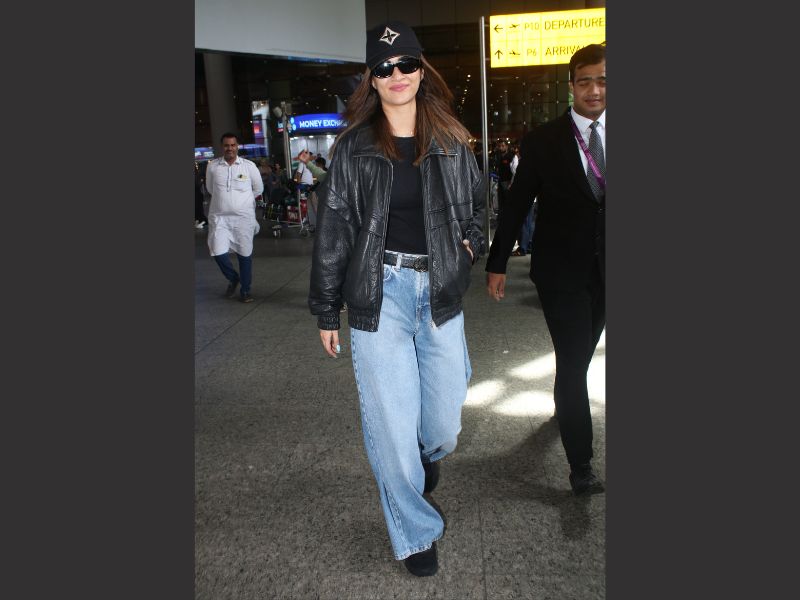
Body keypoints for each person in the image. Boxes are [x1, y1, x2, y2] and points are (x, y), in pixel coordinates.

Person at [308, 20, 485, 577]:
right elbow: (334, 229)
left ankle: (422, 458)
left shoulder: (452, 139)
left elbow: (482, 207)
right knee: (389, 422)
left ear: (421, 70)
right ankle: (414, 531)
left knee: (444, 424)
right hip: (378, 293)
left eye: (406, 63)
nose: (397, 75)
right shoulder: (354, 147)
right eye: (384, 68)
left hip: (440, 290)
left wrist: (469, 246)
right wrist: (327, 307)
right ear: (373, 80)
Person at [485, 43, 606, 496]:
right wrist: (498, 262)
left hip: (607, 272)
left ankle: (564, 402)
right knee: (574, 364)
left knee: (580, 355)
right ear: (571, 86)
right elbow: (517, 204)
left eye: (603, 80)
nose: (595, 90)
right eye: (585, 81)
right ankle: (581, 464)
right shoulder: (544, 140)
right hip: (561, 273)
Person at [205, 132, 263, 303]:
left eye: (232, 145)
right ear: (221, 147)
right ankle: (233, 277)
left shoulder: (249, 166)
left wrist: (241, 202)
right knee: (217, 252)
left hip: (243, 219)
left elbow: (258, 189)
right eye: (226, 145)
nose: (229, 148)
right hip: (220, 219)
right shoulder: (213, 167)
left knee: (245, 255)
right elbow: (210, 189)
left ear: (237, 146)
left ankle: (245, 290)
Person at [194, 162, 207, 229]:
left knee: (198, 208)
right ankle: (201, 221)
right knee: (198, 208)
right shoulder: (198, 172)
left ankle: (201, 221)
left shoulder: (198, 172)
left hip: (197, 194)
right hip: (197, 193)